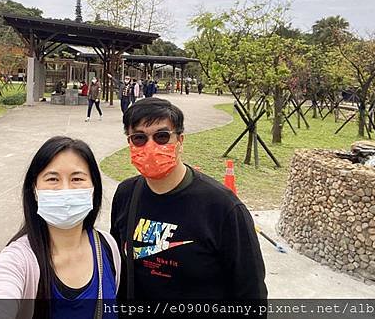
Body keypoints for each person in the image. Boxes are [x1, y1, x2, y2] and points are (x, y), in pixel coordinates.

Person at [110, 98, 267, 301]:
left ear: (180, 141)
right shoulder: (126, 194)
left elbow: (250, 293)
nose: (150, 146)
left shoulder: (223, 207)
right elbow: (117, 267)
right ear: (129, 143)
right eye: (139, 138)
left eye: (162, 136)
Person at [0, 136, 120, 319]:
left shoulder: (108, 246)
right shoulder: (16, 260)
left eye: (77, 178)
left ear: (94, 187)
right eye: (52, 179)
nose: (65, 190)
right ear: (34, 189)